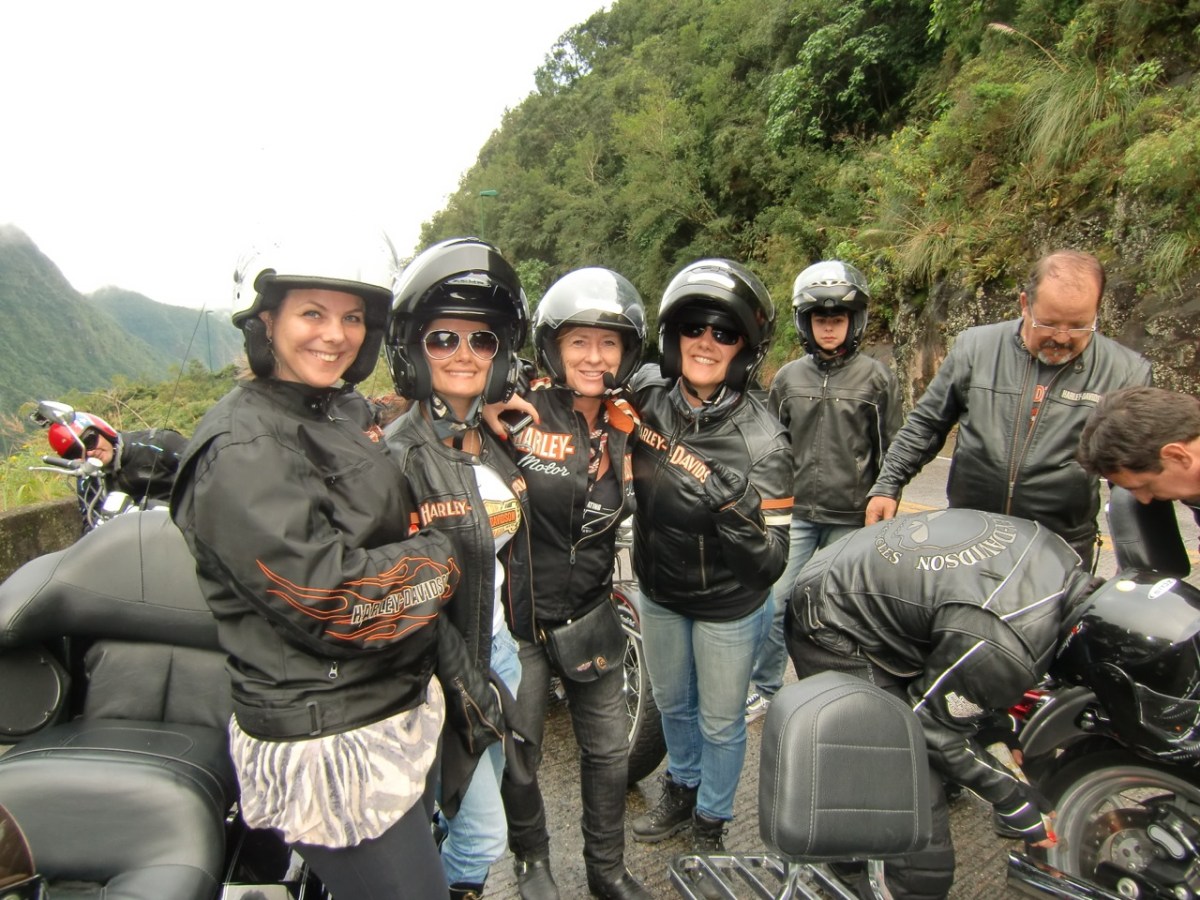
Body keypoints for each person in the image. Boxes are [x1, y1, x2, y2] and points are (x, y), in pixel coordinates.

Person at [171, 233, 480, 900]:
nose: (335, 335)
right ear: (266, 321)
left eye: (351, 317)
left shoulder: (331, 408)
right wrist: (442, 555)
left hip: (384, 702)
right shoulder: (243, 448)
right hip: (333, 740)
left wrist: (477, 416)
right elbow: (332, 601)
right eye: (312, 313)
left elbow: (375, 442)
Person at [785, 507, 1097, 900]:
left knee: (893, 764)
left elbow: (969, 645)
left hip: (877, 584)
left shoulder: (1065, 558)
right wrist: (1011, 797)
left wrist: (995, 729)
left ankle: (852, 848)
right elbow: (930, 727)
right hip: (832, 616)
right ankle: (863, 874)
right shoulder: (1009, 646)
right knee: (906, 799)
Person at [627, 258, 792, 898]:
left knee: (722, 721)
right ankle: (681, 786)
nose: (705, 342)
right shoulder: (645, 401)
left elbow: (771, 562)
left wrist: (735, 515)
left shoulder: (764, 441)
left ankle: (712, 820)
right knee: (673, 704)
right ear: (672, 338)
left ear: (744, 349)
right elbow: (577, 387)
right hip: (660, 591)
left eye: (723, 333)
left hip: (729, 603)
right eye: (693, 327)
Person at [493, 268, 652, 900]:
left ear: (627, 352)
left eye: (609, 343)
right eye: (579, 341)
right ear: (553, 349)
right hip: (521, 622)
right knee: (521, 753)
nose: (594, 356)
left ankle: (606, 870)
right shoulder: (518, 410)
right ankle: (532, 861)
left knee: (609, 753)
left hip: (590, 614)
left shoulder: (630, 423)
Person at [384, 237, 531, 900]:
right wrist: (462, 680)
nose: (464, 354)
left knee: (456, 812)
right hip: (442, 670)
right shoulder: (398, 458)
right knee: (481, 833)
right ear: (414, 350)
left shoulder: (489, 440)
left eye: (482, 340)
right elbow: (401, 592)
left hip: (499, 651)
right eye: (443, 339)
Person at [864, 249, 1151, 569]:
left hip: (1060, 548)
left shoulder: (1125, 372)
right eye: (1049, 323)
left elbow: (1133, 479)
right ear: (1025, 304)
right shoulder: (976, 348)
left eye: (1079, 326)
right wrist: (887, 485)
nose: (1062, 337)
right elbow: (926, 425)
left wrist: (1141, 564)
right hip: (967, 539)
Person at [746, 259, 901, 720]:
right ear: (805, 322)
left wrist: (886, 497)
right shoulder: (788, 378)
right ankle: (766, 687)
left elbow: (894, 448)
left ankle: (842, 697)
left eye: (838, 318)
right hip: (794, 515)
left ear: (855, 321)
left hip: (851, 518)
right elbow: (769, 447)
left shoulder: (877, 378)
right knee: (775, 603)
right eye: (820, 318)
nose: (829, 327)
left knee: (840, 613)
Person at [48, 411, 187, 529]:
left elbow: (199, 473)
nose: (89, 453)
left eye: (89, 441)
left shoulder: (158, 444)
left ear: (103, 431)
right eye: (76, 453)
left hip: (185, 527)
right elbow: (89, 527)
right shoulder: (88, 479)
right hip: (139, 543)